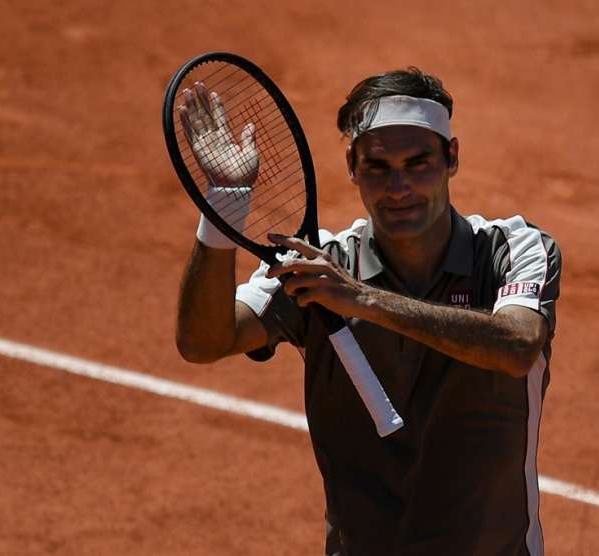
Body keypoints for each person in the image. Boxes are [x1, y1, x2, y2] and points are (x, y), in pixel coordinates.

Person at [176, 68, 562, 556]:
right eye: (377, 167)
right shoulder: (319, 267)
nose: (398, 187)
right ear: (352, 167)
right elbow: (204, 342)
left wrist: (362, 300)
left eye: (418, 163)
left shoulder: (513, 248)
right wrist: (225, 204)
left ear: (452, 158)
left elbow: (517, 345)